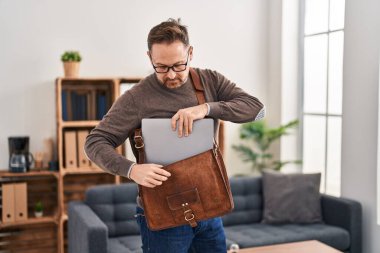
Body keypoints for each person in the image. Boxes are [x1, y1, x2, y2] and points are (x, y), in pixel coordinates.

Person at [85, 18, 265, 253]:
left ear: (190, 53)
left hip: (209, 206)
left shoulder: (209, 81)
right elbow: (94, 142)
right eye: (161, 67)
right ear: (150, 58)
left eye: (179, 65)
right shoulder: (136, 98)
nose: (171, 75)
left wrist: (207, 108)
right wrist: (131, 169)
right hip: (163, 215)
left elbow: (256, 109)